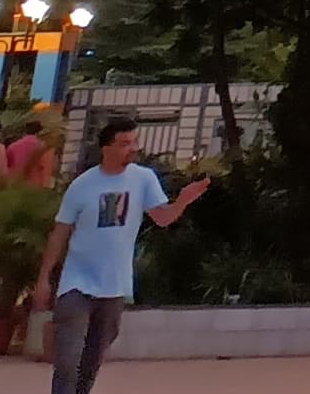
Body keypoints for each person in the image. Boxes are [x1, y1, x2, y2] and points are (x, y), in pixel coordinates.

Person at [35, 117, 208, 394]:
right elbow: (59, 233)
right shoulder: (82, 185)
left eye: (134, 142)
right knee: (68, 358)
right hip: (76, 283)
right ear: (106, 148)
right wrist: (44, 278)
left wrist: (183, 201)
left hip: (114, 284)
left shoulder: (143, 179)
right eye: (125, 143)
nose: (133, 148)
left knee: (92, 359)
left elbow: (162, 218)